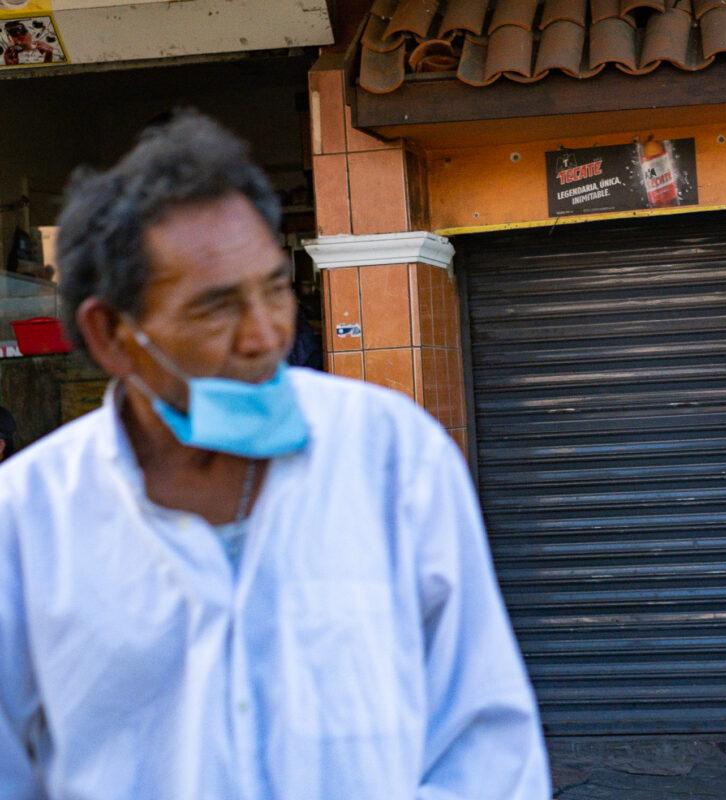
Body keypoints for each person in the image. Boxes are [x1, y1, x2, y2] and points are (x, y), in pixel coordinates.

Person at [0, 111, 550, 799]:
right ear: (111, 334)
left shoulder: (393, 456)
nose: (266, 335)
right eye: (216, 307)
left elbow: (487, 739)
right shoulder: (23, 523)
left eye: (275, 288)